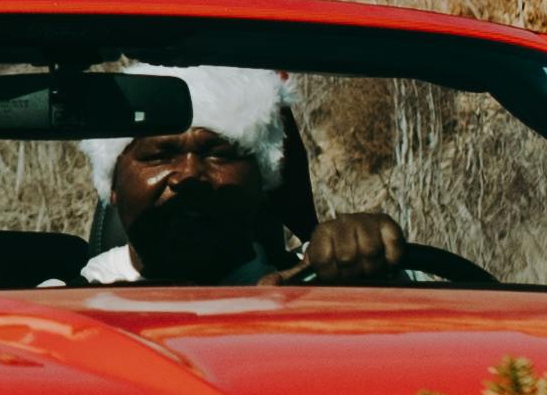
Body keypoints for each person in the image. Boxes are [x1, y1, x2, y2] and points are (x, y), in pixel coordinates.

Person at [79, 69, 408, 287]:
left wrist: (378, 266)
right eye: (159, 156)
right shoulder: (57, 303)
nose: (190, 174)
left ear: (263, 182)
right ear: (112, 187)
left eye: (219, 154)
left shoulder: (319, 283)